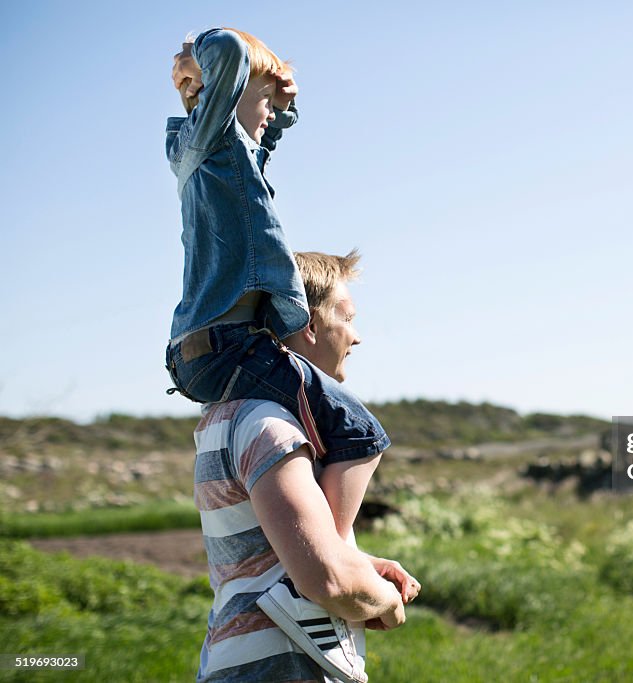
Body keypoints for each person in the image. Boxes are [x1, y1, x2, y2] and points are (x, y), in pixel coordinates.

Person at [163, 28, 410, 679]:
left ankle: (341, 547)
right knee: (361, 427)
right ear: (228, 89)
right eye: (264, 98)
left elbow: (259, 144)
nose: (271, 112)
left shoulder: (220, 161)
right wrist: (359, 583)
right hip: (229, 341)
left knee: (347, 430)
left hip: (204, 348)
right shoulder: (262, 422)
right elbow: (323, 575)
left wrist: (283, 107)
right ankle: (340, 544)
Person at [195, 250, 420, 682]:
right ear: (309, 325)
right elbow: (327, 579)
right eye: (347, 317)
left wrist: (359, 564)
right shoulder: (269, 427)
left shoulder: (227, 418)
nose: (356, 337)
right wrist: (386, 603)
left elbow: (267, 558)